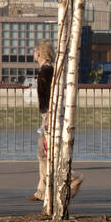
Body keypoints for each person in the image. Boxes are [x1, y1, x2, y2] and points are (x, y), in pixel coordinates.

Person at [30, 41, 82, 202]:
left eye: (35, 50)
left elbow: (50, 96)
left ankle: (74, 177)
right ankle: (41, 191)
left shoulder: (46, 72)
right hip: (49, 114)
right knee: (42, 153)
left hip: (51, 115)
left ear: (39, 53)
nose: (33, 53)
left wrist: (48, 117)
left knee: (50, 154)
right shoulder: (48, 70)